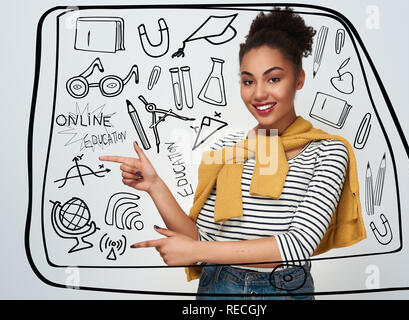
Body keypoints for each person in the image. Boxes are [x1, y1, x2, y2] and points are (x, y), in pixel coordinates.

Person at [100, 7, 365, 300]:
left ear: (299, 79)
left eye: (274, 79)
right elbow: (201, 238)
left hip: (283, 290)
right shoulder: (224, 148)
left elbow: (298, 244)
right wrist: (154, 185)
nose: (259, 94)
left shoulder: (327, 150)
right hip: (217, 286)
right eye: (248, 81)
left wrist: (198, 251)